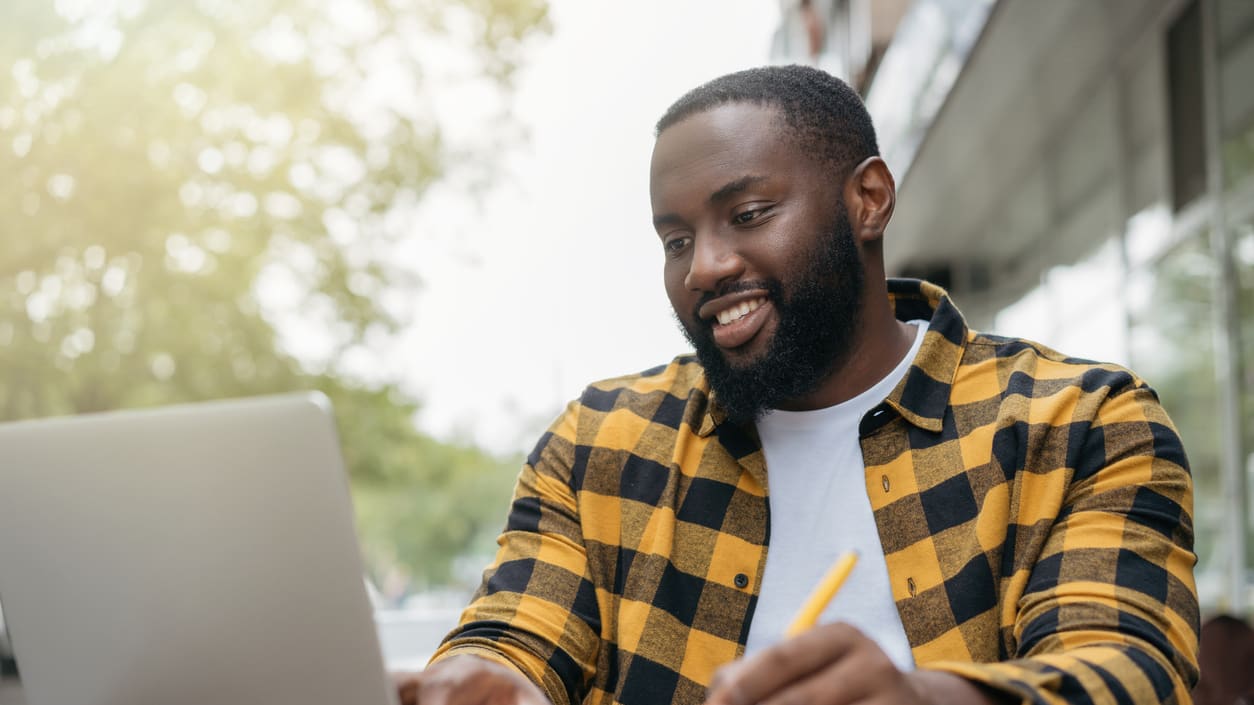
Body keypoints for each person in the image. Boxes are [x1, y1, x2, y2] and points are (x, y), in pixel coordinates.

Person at [397, 65, 1200, 705]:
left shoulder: (1080, 421)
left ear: (869, 200)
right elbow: (517, 631)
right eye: (676, 239)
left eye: (747, 213)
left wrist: (923, 697)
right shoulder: (600, 441)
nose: (704, 265)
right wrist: (488, 680)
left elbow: (1127, 668)